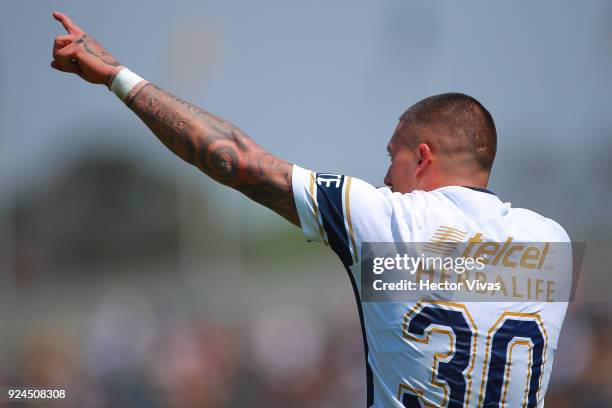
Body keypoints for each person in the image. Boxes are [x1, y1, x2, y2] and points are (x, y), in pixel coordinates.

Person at [51, 12, 571, 407]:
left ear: (423, 157)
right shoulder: (554, 245)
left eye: (392, 154)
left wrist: (118, 78)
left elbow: (242, 162)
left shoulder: (387, 220)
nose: (386, 174)